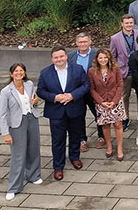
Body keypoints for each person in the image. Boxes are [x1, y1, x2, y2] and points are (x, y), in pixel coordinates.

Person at [37, 46, 90, 181]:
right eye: (56, 57)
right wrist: (55, 97)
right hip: (56, 112)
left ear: (66, 56)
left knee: (75, 136)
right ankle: (58, 166)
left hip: (74, 109)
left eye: (61, 56)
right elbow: (41, 91)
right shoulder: (45, 73)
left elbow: (85, 85)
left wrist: (72, 95)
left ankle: (74, 158)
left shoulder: (77, 69)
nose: (59, 59)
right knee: (57, 141)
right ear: (52, 59)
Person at [0, 63, 42, 200]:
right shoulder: (6, 92)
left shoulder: (29, 85)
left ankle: (33, 175)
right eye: (16, 71)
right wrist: (6, 133)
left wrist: (35, 102)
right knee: (18, 155)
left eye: (21, 70)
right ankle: (14, 187)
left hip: (32, 119)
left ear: (24, 72)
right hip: (17, 124)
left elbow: (33, 101)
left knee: (34, 149)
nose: (19, 73)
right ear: (11, 74)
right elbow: (1, 114)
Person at [87, 49, 126, 161]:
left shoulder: (115, 69)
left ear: (109, 58)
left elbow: (120, 84)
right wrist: (101, 102)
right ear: (97, 59)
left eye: (105, 57)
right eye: (100, 58)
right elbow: (92, 89)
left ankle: (119, 148)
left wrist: (115, 101)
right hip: (102, 102)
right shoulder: (92, 71)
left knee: (118, 124)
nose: (103, 60)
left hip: (115, 101)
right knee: (105, 125)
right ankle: (109, 146)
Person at [67, 33, 102, 151]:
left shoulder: (97, 54)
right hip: (78, 91)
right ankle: (82, 139)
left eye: (85, 42)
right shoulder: (70, 56)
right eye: (80, 42)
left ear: (90, 42)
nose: (83, 44)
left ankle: (101, 137)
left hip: (94, 90)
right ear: (76, 43)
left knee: (98, 113)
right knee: (79, 116)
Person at [109, 14, 138, 131]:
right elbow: (112, 56)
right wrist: (116, 70)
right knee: (124, 96)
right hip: (124, 71)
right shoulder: (115, 38)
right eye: (126, 23)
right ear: (122, 24)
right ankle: (125, 118)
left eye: (131, 23)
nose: (129, 25)